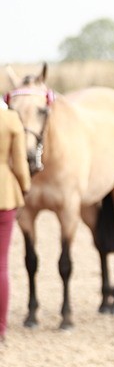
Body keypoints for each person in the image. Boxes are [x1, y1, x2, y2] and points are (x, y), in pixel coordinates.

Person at [1, 107, 32, 344]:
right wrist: (24, 186)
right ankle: (0, 328)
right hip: (4, 194)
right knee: (1, 267)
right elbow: (20, 163)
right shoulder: (10, 119)